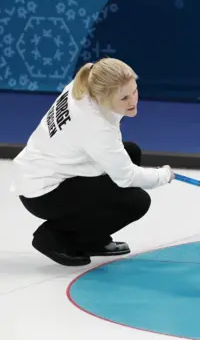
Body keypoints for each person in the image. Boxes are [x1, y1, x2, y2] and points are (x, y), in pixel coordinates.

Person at [9, 57, 175, 267]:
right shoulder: (95, 125)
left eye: (134, 91)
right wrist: (163, 175)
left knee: (130, 152)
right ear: (103, 98)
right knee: (137, 202)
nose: (133, 101)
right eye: (124, 98)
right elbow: (127, 177)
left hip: (44, 171)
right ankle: (54, 238)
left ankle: (92, 238)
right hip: (44, 194)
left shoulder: (85, 86)